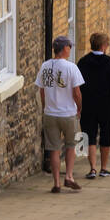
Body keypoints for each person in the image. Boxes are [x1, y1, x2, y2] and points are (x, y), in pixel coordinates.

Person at [35, 37, 84, 192]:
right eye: (69, 47)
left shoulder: (45, 66)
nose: (70, 49)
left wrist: (45, 107)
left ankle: (56, 183)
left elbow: (42, 91)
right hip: (68, 113)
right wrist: (79, 108)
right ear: (64, 49)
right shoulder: (71, 67)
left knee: (54, 148)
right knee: (71, 145)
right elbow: (77, 92)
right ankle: (68, 176)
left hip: (50, 113)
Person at [77, 32, 110, 178]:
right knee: (106, 135)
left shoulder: (83, 62)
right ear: (104, 46)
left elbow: (77, 85)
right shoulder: (109, 63)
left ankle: (92, 168)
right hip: (105, 104)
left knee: (89, 135)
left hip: (87, 104)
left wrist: (77, 105)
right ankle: (103, 168)